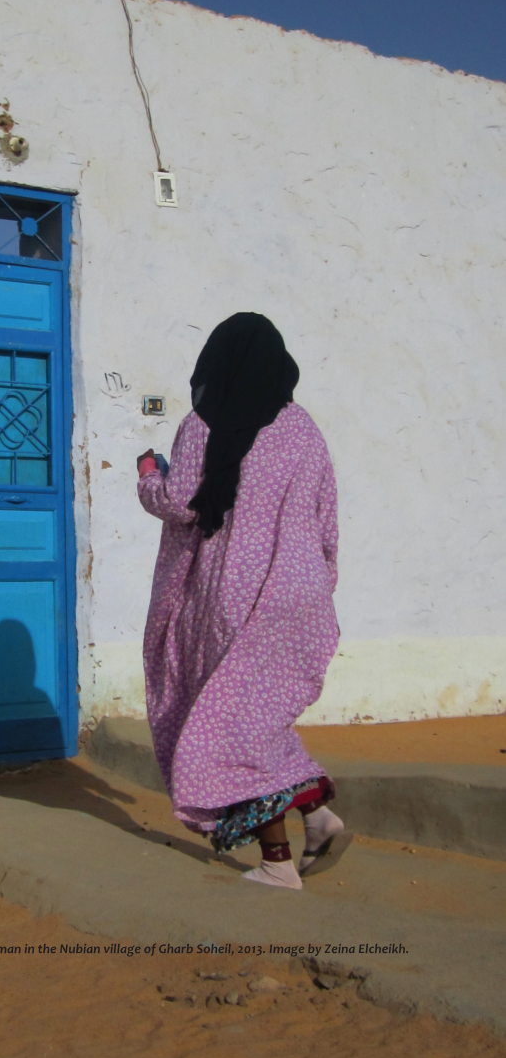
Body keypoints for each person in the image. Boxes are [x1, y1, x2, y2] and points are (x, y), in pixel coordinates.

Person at [136, 312, 351, 890]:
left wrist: (148, 474)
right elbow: (327, 517)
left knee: (226, 726)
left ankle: (278, 864)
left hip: (234, 593)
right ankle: (320, 816)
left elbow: (182, 503)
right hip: (299, 592)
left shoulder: (203, 425)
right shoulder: (304, 429)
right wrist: (319, 582)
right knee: (254, 716)